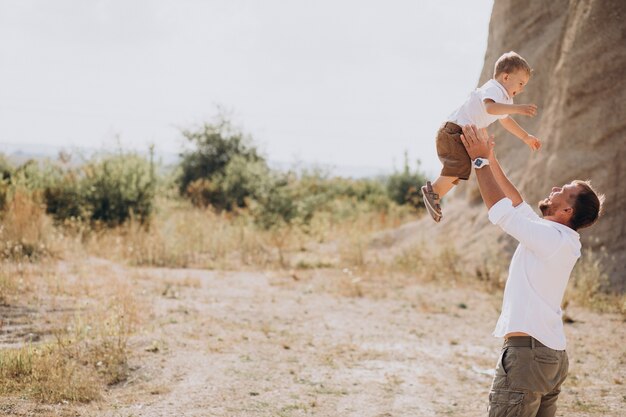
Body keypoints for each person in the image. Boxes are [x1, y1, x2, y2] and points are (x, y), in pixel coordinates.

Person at [459, 124, 604, 417]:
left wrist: (478, 161)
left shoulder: (550, 238)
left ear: (567, 212)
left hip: (529, 357)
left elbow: (501, 211)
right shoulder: (557, 237)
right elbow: (516, 202)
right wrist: (491, 158)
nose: (554, 189)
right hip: (550, 357)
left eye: (562, 192)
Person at [422, 51, 541, 223]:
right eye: (521, 83)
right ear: (506, 77)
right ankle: (432, 191)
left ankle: (434, 194)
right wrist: (518, 109)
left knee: (462, 169)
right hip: (453, 132)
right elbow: (490, 109)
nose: (521, 89)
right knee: (459, 167)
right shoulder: (493, 88)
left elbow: (506, 121)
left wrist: (525, 137)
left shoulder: (506, 101)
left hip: (460, 134)